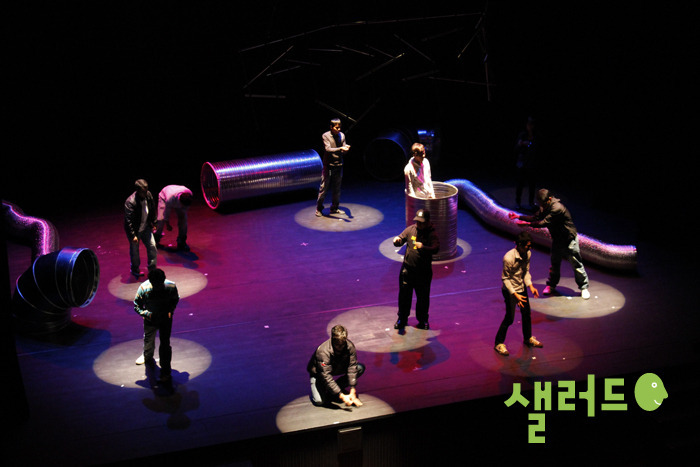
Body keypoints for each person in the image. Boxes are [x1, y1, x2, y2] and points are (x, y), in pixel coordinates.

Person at [509, 188, 590, 299]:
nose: (542, 206)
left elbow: (544, 222)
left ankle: (583, 287)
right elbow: (535, 217)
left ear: (550, 199)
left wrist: (527, 224)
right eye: (540, 204)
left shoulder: (557, 208)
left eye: (543, 203)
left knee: (576, 264)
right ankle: (551, 285)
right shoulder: (544, 206)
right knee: (554, 264)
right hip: (557, 240)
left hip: (569, 239)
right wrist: (518, 216)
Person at [494, 231, 542, 356]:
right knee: (510, 318)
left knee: (526, 314)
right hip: (510, 290)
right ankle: (499, 343)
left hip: (521, 287)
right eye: (527, 246)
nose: (529, 248)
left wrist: (530, 285)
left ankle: (528, 338)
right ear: (520, 244)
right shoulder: (508, 258)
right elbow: (505, 279)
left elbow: (525, 272)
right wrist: (515, 295)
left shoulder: (528, 253)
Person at [392, 209, 440, 330]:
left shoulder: (432, 234)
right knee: (404, 296)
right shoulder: (411, 230)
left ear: (427, 222)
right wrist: (397, 241)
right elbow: (401, 239)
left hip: (423, 272)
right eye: (417, 222)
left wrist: (423, 247)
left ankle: (423, 320)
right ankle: (402, 319)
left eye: (421, 222)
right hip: (408, 270)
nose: (418, 224)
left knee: (423, 297)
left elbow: (435, 248)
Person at [134, 268, 180, 384]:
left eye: (160, 284)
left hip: (165, 318)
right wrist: (147, 314)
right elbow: (137, 306)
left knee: (165, 343)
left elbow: (175, 299)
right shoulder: (144, 288)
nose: (158, 287)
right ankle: (147, 357)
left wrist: (170, 311)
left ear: (163, 280)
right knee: (148, 339)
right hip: (150, 318)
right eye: (156, 285)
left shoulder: (171, 286)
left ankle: (165, 371)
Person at [307, 324, 364, 407]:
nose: (340, 348)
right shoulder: (323, 351)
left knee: (359, 368)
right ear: (333, 340)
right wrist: (341, 396)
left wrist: (352, 389)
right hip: (319, 374)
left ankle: (336, 388)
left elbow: (352, 366)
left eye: (342, 344)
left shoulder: (349, 346)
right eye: (338, 345)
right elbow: (326, 376)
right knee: (319, 401)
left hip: (336, 367)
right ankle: (328, 388)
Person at [316, 118, 350, 216]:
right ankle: (319, 208)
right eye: (336, 128)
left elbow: (343, 150)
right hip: (328, 166)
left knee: (337, 189)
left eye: (340, 127)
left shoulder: (342, 135)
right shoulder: (325, 135)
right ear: (331, 127)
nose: (339, 129)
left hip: (339, 165)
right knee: (324, 188)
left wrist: (346, 149)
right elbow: (328, 149)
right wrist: (341, 148)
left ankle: (334, 208)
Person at [124, 179, 157, 278]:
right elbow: (128, 220)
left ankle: (152, 269)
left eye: (146, 190)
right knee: (135, 251)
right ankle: (135, 269)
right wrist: (133, 235)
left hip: (145, 227)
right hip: (135, 230)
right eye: (143, 191)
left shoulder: (148, 195)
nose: (146, 193)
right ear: (138, 191)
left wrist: (154, 222)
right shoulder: (130, 202)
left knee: (152, 246)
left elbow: (152, 209)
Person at [154, 185, 193, 252]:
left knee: (183, 221)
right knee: (161, 219)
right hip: (164, 197)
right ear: (180, 202)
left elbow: (185, 209)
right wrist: (167, 224)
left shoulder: (190, 194)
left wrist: (183, 213)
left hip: (175, 194)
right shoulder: (170, 199)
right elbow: (166, 213)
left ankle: (181, 242)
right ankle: (155, 239)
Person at [514, 116, 537, 210]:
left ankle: (531, 202)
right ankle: (518, 202)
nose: (530, 126)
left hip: (532, 163)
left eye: (532, 124)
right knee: (520, 184)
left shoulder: (536, 135)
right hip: (522, 163)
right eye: (529, 124)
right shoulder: (522, 135)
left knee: (532, 185)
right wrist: (521, 144)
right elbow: (516, 148)